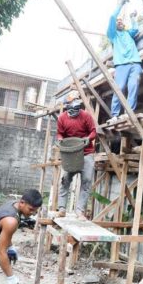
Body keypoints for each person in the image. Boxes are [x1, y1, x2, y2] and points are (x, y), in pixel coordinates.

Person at [56, 90, 97, 219]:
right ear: (67, 105)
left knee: (86, 181)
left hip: (86, 152)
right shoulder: (62, 118)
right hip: (71, 153)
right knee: (65, 180)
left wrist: (88, 139)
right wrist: (60, 139)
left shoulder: (86, 116)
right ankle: (62, 208)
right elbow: (60, 133)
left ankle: (80, 211)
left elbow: (93, 132)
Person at [106, 0, 143, 120]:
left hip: (135, 63)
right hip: (121, 64)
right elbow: (112, 17)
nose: (119, 21)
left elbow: (136, 29)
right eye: (118, 21)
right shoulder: (113, 35)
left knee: (133, 86)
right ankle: (115, 115)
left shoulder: (128, 33)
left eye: (121, 20)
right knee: (119, 88)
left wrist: (133, 18)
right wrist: (121, 4)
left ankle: (128, 113)